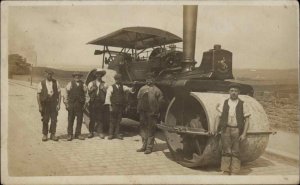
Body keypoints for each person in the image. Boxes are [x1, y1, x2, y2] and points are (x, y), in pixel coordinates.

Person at [214, 83, 251, 175]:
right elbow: (218, 117)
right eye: (232, 91)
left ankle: (234, 171)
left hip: (237, 130)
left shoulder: (243, 104)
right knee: (226, 150)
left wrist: (244, 134)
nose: (233, 93)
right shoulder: (224, 102)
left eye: (235, 91)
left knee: (236, 151)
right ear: (229, 92)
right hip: (225, 129)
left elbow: (247, 120)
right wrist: (215, 129)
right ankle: (225, 170)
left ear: (239, 92)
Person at [136, 73, 164, 154]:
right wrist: (139, 109)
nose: (149, 81)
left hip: (152, 113)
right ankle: (144, 146)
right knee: (143, 129)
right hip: (142, 112)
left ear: (154, 80)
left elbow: (160, 102)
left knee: (151, 130)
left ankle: (149, 147)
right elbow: (138, 99)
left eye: (150, 79)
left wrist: (157, 112)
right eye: (147, 79)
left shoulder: (157, 90)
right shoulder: (142, 89)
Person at [105, 73, 134, 140]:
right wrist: (109, 106)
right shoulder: (111, 87)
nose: (118, 80)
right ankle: (111, 134)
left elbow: (130, 90)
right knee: (112, 120)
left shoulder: (123, 87)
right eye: (117, 79)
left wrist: (133, 86)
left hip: (120, 107)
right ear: (115, 80)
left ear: (121, 80)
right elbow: (108, 97)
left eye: (119, 79)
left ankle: (117, 134)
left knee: (118, 120)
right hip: (113, 106)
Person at [37, 69, 61, 142]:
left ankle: (53, 134)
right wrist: (40, 106)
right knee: (45, 120)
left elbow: (59, 94)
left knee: (54, 120)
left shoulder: (56, 82)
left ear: (52, 75)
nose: (49, 75)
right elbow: (38, 95)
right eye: (48, 74)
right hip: (45, 105)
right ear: (45, 74)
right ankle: (45, 134)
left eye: (50, 74)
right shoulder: (41, 83)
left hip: (53, 104)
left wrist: (59, 104)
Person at [64, 72, 89, 141]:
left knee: (79, 120)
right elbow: (66, 94)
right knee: (70, 120)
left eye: (78, 76)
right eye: (76, 76)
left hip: (80, 105)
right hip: (72, 104)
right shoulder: (70, 84)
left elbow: (86, 95)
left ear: (80, 77)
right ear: (74, 77)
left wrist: (85, 104)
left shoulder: (83, 84)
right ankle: (70, 134)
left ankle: (78, 134)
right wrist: (66, 103)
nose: (77, 77)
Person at [87, 68, 108, 139]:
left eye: (100, 75)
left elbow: (107, 93)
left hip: (101, 103)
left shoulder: (105, 84)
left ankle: (100, 132)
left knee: (100, 118)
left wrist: (104, 89)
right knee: (92, 118)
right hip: (93, 102)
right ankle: (91, 132)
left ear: (102, 76)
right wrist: (91, 90)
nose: (99, 76)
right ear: (96, 75)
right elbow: (87, 93)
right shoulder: (91, 83)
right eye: (98, 74)